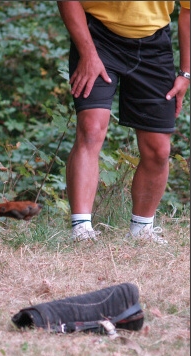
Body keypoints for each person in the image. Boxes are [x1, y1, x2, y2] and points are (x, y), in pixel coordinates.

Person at [57, 1, 190, 244]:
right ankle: (81, 230)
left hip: (154, 45)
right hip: (97, 35)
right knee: (91, 128)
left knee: (159, 150)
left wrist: (186, 72)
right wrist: (87, 53)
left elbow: (188, 13)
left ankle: (142, 231)